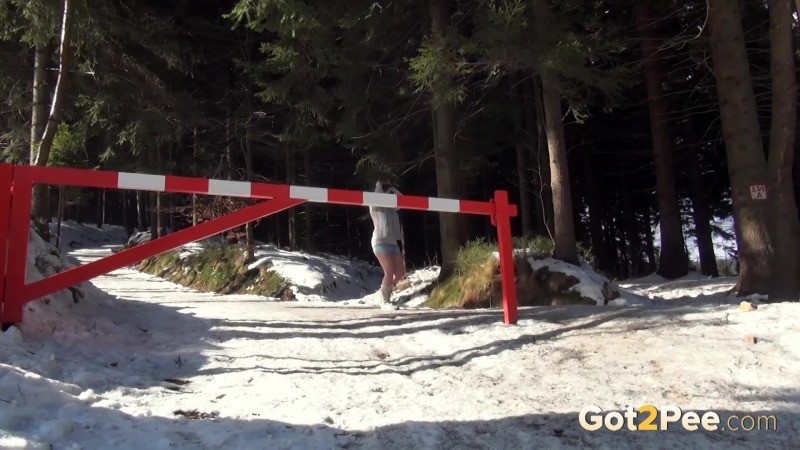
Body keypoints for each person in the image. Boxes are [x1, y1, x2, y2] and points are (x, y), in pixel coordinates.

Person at [369, 180, 405, 308]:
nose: (389, 195)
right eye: (387, 192)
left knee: (400, 272)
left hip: (392, 242)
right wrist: (379, 185)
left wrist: (392, 188)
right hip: (380, 241)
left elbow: (403, 200)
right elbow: (377, 195)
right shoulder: (375, 204)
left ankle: (382, 292)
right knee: (388, 270)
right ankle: (385, 301)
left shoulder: (391, 208)